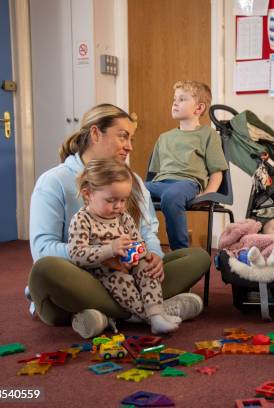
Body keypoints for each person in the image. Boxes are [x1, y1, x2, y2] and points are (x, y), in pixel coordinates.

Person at [28, 104, 211, 337]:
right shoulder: (54, 181)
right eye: (123, 136)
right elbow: (43, 249)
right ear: (95, 134)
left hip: (130, 274)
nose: (130, 147)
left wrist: (153, 256)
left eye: (131, 139)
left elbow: (146, 232)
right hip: (83, 276)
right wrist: (105, 256)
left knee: (197, 257)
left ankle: (104, 315)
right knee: (45, 270)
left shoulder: (132, 181)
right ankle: (152, 311)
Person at [68, 159, 180, 336]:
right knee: (122, 280)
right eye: (111, 200)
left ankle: (156, 313)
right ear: (88, 194)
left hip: (129, 265)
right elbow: (76, 254)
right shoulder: (82, 220)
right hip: (102, 273)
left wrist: (145, 255)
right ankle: (150, 317)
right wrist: (110, 249)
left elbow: (137, 241)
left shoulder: (123, 216)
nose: (119, 206)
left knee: (147, 270)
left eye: (123, 200)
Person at [146, 80, 228, 249]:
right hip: (161, 183)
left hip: (188, 184)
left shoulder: (208, 135)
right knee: (129, 189)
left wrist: (208, 193)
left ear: (199, 108)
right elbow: (153, 175)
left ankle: (181, 252)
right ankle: (142, 247)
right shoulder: (164, 137)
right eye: (174, 99)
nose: (175, 102)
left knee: (171, 195)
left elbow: (217, 171)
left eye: (182, 99)